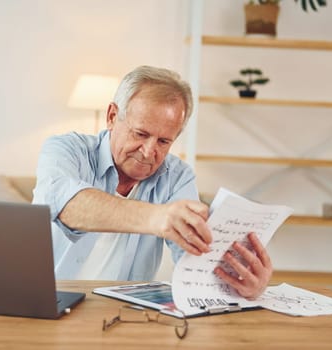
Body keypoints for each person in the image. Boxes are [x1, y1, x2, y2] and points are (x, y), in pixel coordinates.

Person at [33, 65, 272, 299]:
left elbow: (195, 263)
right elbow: (67, 207)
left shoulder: (178, 177)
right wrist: (158, 217)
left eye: (163, 142)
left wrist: (242, 284)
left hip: (122, 316)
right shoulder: (66, 150)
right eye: (141, 134)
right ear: (112, 116)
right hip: (46, 301)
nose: (148, 152)